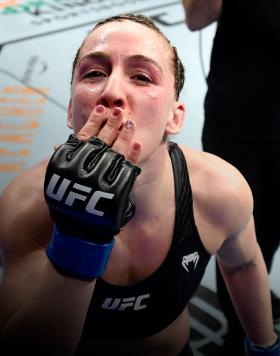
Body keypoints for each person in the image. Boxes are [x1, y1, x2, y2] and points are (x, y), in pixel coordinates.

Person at [0, 13, 279, 356]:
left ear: (174, 117)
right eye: (95, 73)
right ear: (72, 110)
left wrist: (264, 346)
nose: (112, 91)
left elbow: (243, 264)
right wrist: (77, 242)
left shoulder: (219, 190)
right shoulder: (28, 205)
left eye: (142, 77)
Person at [182, 0, 280, 354]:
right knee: (236, 242)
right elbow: (196, 18)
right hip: (235, 125)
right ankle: (243, 334)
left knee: (267, 237)